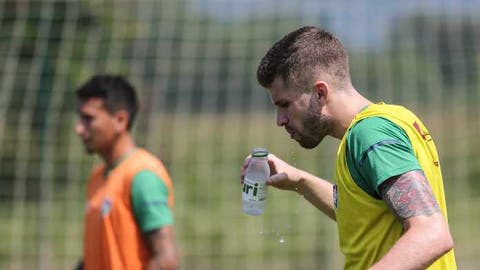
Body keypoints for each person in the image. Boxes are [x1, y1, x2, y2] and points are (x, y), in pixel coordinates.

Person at [242, 26, 457, 269]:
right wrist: (299, 181)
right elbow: (365, 216)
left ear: (320, 92)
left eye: (285, 105)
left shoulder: (369, 135)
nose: (279, 120)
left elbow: (432, 234)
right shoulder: (394, 118)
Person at [74, 75, 179, 270]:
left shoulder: (142, 175)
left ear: (120, 120)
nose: (79, 128)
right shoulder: (97, 177)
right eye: (80, 118)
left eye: (89, 119)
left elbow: (166, 259)